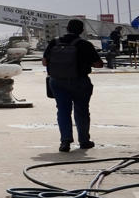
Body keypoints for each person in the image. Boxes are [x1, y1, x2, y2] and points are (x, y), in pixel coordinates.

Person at [43, 19, 103, 152]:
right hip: (79, 81)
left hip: (57, 82)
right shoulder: (84, 44)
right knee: (81, 110)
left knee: (63, 111)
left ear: (67, 28)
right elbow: (99, 64)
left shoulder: (55, 42)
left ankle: (65, 142)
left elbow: (44, 62)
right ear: (81, 30)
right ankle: (84, 141)